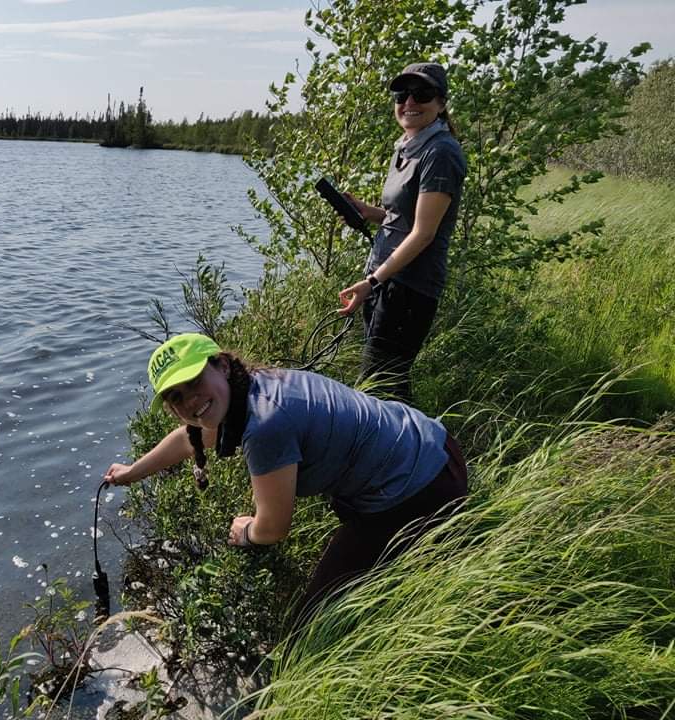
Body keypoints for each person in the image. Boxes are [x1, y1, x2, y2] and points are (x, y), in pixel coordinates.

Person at [103, 333, 468, 623]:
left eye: (194, 380)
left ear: (222, 366)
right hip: (432, 445)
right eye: (176, 397)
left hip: (425, 488)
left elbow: (273, 529)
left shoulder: (265, 425)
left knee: (314, 621)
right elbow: (190, 436)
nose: (189, 402)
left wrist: (245, 531)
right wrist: (133, 472)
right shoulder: (252, 386)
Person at [337, 61, 467, 403]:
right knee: (389, 384)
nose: (409, 102)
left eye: (421, 94)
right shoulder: (408, 148)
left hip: (409, 286)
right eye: (402, 94)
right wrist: (369, 212)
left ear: (440, 103)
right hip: (386, 278)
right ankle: (422, 451)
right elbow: (404, 217)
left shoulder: (440, 152)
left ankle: (413, 451)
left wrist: (373, 282)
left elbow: (424, 233)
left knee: (375, 385)